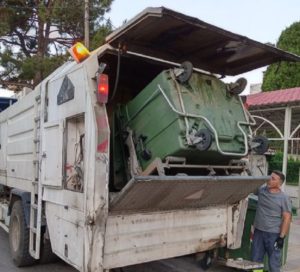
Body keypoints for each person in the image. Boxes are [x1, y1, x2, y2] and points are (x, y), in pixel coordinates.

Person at [251, 170, 292, 272]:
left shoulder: (284, 198)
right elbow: (250, 184)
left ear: (279, 183)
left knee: (274, 264)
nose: (269, 179)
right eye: (270, 177)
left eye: (273, 178)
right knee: (256, 262)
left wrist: (281, 237)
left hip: (273, 235)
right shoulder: (261, 190)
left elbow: (287, 218)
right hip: (258, 233)